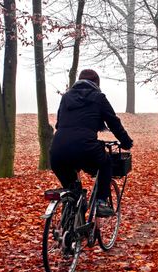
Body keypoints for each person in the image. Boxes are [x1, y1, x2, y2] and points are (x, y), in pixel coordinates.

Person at [49, 69, 133, 217]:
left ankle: (73, 225)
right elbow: (113, 122)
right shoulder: (98, 98)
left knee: (72, 190)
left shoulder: (66, 97)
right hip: (85, 148)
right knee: (106, 163)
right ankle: (101, 201)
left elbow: (59, 123)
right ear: (97, 83)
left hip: (57, 150)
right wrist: (126, 142)